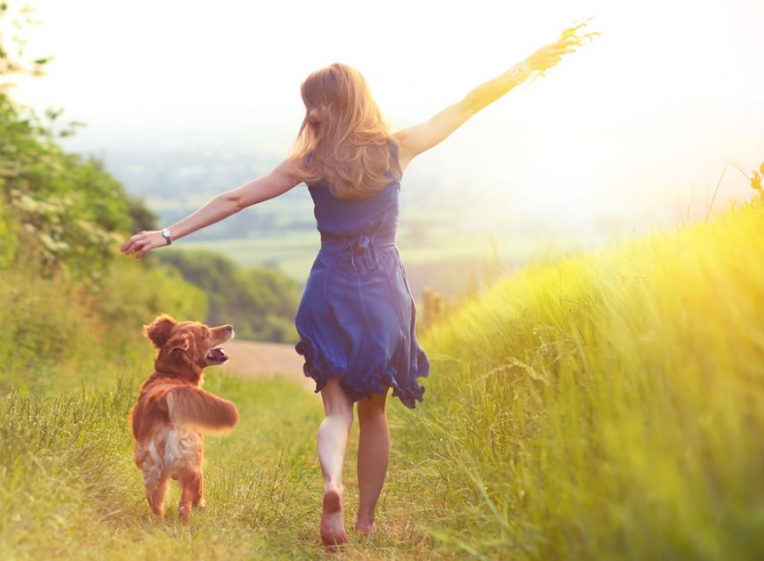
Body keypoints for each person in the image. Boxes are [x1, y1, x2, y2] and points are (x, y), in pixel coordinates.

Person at [120, 31, 580, 547]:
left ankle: (332, 482)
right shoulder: (397, 148)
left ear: (320, 108)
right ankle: (363, 520)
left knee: (336, 409)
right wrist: (529, 66)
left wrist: (165, 234)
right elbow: (467, 105)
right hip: (382, 289)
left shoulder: (310, 163)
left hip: (330, 287)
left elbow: (235, 199)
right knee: (375, 412)